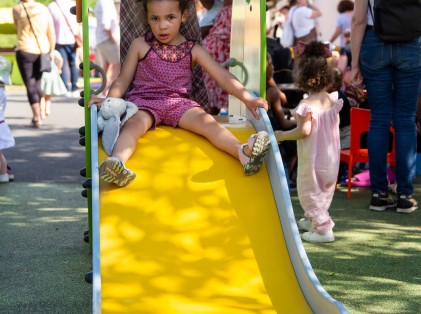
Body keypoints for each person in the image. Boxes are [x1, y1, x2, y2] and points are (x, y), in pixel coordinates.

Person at [88, 0, 271, 187]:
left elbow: (223, 76)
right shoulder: (140, 45)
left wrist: (248, 98)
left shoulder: (193, 49)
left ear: (183, 16)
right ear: (147, 19)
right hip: (144, 102)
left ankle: (242, 153)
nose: (162, 25)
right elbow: (123, 79)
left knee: (208, 123)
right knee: (132, 126)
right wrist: (109, 101)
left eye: (170, 17)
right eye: (155, 18)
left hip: (180, 104)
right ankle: (117, 162)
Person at [351, 0, 421, 213]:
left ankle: (379, 194)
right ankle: (404, 195)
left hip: (375, 42)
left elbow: (359, 19)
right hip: (411, 43)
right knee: (406, 121)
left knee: (379, 120)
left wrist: (354, 64)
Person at [275, 41, 342, 243]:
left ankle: (323, 230)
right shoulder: (331, 100)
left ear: (303, 76)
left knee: (310, 191)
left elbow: (304, 131)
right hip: (330, 158)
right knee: (323, 190)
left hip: (313, 159)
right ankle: (310, 219)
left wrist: (282, 135)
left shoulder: (306, 105)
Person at [13, 0, 55, 128]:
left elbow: (16, 27)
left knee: (30, 83)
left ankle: (37, 117)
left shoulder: (17, 9)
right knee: (37, 82)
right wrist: (51, 51)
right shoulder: (44, 9)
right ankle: (42, 109)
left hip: (25, 49)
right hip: (43, 50)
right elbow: (51, 32)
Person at [266, 53, 297, 189]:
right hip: (274, 134)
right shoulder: (272, 92)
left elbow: (283, 98)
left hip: (260, 133)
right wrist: (297, 122)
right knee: (294, 144)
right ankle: (287, 179)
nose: (273, 67)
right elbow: (284, 123)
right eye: (271, 64)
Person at [201, 0, 232, 114]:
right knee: (212, 99)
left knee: (212, 99)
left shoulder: (227, 9)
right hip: (216, 54)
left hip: (215, 53)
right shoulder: (226, 9)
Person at [47, 0, 81, 98]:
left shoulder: (51, 6)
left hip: (58, 39)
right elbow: (77, 23)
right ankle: (74, 88)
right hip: (72, 38)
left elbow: (50, 24)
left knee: (62, 64)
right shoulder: (72, 4)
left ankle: (65, 88)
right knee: (73, 63)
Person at [94, 0, 121, 96]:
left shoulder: (100, 2)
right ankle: (114, 91)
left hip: (101, 39)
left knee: (105, 67)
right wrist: (112, 38)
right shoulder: (106, 2)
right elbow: (106, 24)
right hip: (107, 39)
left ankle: (104, 91)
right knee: (116, 66)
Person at [0, 56, 16, 183]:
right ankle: (4, 174)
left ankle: (4, 174)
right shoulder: (2, 91)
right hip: (1, 124)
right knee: (0, 154)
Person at [40, 50, 67, 118]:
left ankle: (42, 111)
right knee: (48, 95)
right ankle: (47, 108)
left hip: (42, 75)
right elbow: (60, 60)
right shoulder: (54, 52)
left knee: (42, 96)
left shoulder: (41, 51)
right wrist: (59, 68)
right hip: (52, 74)